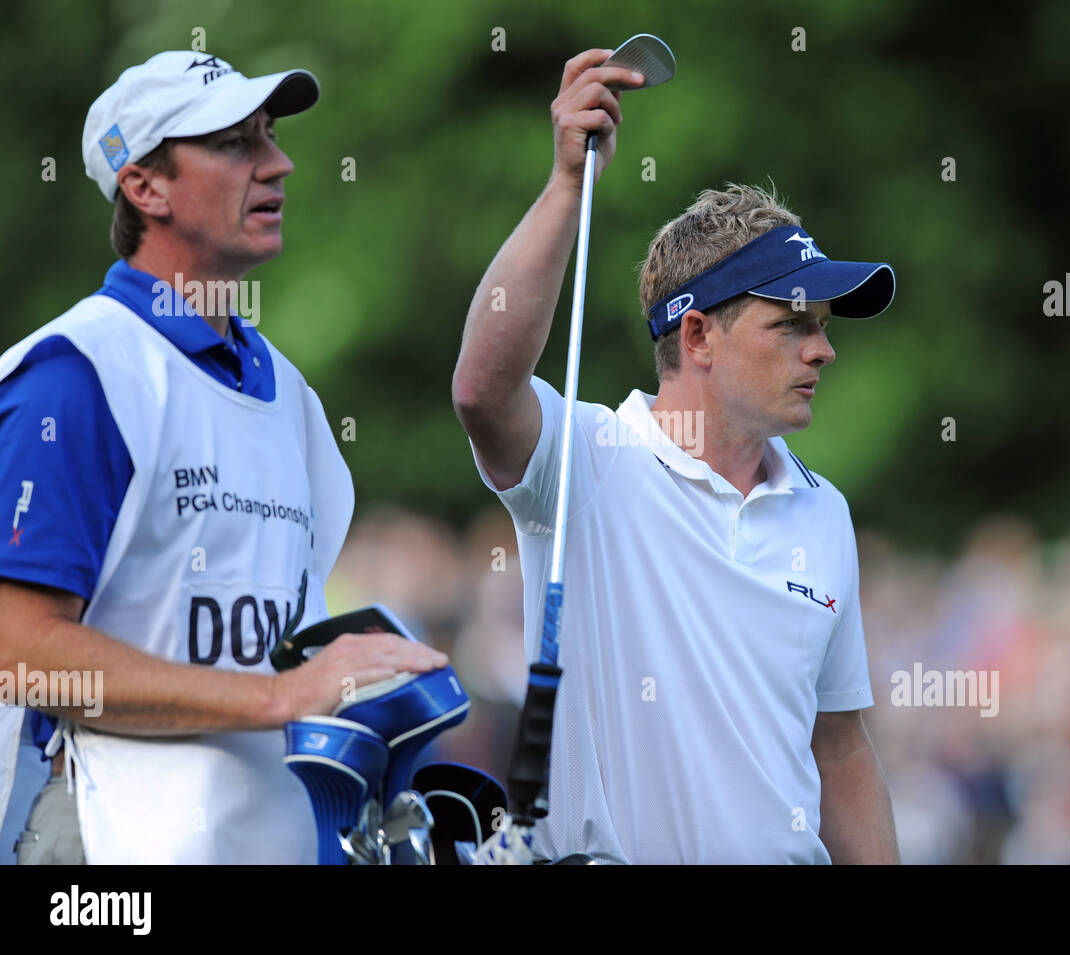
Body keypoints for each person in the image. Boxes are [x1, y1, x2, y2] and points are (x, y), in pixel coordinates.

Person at [453, 49, 902, 864]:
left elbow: (840, 749)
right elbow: (483, 389)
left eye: (826, 326)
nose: (824, 350)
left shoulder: (824, 513)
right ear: (698, 334)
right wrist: (565, 188)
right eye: (794, 324)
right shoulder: (589, 460)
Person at [0, 51, 443, 864]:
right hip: (111, 850)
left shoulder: (292, 395)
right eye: (236, 143)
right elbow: (20, 654)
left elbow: (276, 640)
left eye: (268, 136)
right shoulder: (78, 372)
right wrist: (281, 696)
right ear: (146, 187)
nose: (279, 163)